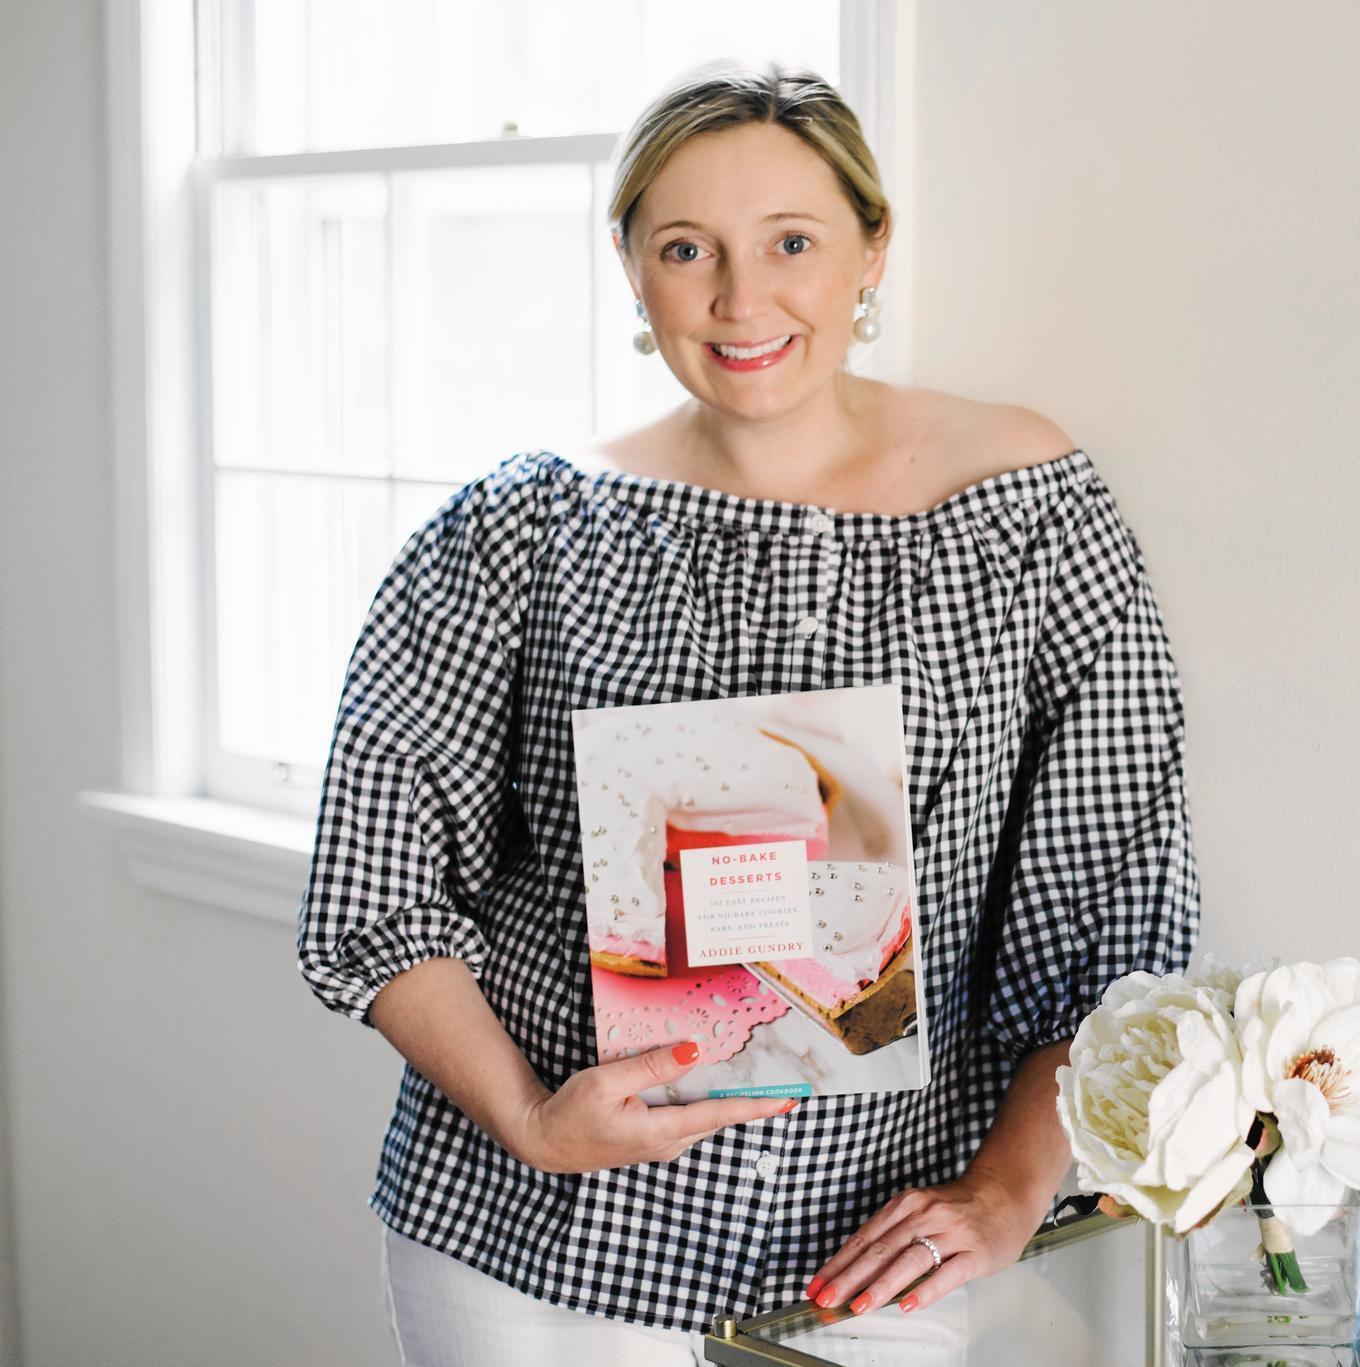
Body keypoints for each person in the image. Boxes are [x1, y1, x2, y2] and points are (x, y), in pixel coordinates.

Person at [296, 58, 1200, 1365]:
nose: (739, 298)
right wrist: (532, 1121)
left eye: (791, 241)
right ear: (630, 267)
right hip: (531, 1241)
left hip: (871, 1255)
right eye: (686, 249)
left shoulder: (1026, 512)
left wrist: (1007, 1193)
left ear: (872, 249)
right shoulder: (514, 528)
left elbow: (1113, 904)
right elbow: (371, 891)